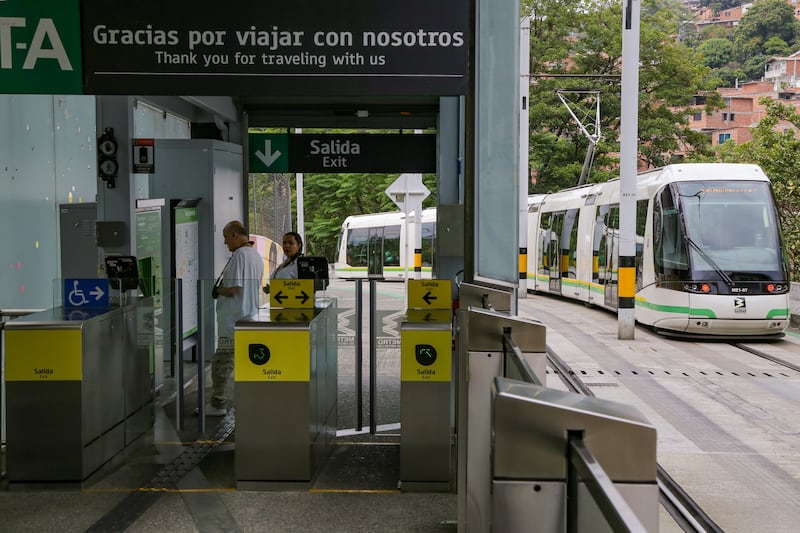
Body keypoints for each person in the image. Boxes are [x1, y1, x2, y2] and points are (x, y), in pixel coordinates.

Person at [206, 220, 264, 416]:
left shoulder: (239, 256)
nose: (224, 242)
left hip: (232, 320)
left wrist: (218, 290)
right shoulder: (255, 255)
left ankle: (217, 404)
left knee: (222, 364)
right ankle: (249, 402)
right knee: (244, 364)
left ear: (234, 235)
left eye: (225, 237)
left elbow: (233, 289)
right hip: (248, 316)